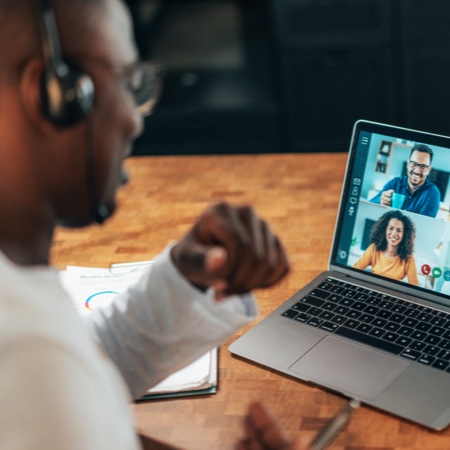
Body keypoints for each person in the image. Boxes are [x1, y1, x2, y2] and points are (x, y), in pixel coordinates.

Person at [0, 0, 298, 449]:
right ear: (54, 94)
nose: (133, 118)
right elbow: (55, 376)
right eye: (126, 82)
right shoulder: (30, 359)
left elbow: (82, 369)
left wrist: (181, 278)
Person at [369, 144, 441, 217]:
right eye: (414, 164)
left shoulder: (432, 193)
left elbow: (424, 225)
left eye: (423, 167)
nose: (417, 171)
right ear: (408, 164)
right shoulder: (394, 183)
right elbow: (369, 206)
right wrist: (380, 201)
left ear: (428, 170)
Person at [353, 210, 419, 285]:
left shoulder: (409, 258)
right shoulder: (374, 249)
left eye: (399, 230)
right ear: (385, 229)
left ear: (405, 234)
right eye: (391, 228)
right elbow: (355, 270)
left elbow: (414, 285)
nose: (394, 234)